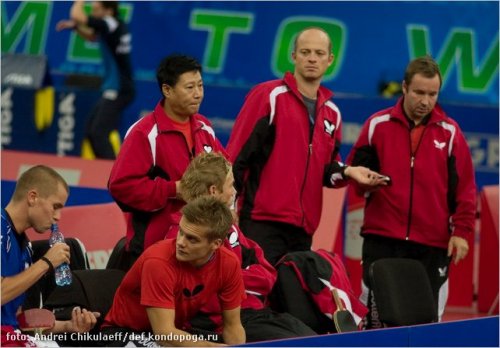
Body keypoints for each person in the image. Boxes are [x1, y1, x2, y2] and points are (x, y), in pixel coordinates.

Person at [226, 27, 386, 265]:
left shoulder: (332, 113)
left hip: (303, 230)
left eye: (319, 53)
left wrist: (348, 172)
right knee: (255, 296)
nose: (312, 58)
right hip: (260, 222)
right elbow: (236, 156)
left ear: (330, 60)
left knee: (290, 298)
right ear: (293, 56)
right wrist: (228, 208)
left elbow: (325, 170)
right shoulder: (269, 96)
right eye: (305, 52)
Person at [347, 56, 477, 328]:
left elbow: (465, 190)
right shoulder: (376, 125)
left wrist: (462, 233)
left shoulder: (451, 133)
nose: (426, 101)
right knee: (374, 321)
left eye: (433, 94)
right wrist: (365, 181)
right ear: (404, 88)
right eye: (419, 92)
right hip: (382, 239)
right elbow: (354, 172)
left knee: (428, 324)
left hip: (432, 246)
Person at [174, 152, 316, 341]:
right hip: (222, 324)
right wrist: (239, 283)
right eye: (231, 184)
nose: (234, 191)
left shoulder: (227, 225)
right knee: (302, 343)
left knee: (313, 337)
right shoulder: (187, 234)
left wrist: (237, 281)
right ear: (214, 190)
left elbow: (265, 269)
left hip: (255, 312)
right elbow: (207, 288)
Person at [107, 54, 227, 268]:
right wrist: (174, 189)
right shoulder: (144, 133)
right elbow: (120, 186)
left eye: (200, 85)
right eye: (190, 88)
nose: (198, 94)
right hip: (154, 248)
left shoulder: (204, 127)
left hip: (201, 247)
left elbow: (226, 172)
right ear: (167, 90)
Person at [101, 196, 246, 347]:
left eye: (192, 239)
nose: (181, 242)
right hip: (121, 333)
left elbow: (233, 326)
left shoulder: (229, 263)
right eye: (181, 232)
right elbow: (164, 335)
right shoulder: (158, 262)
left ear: (216, 244)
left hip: (173, 331)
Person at [1, 165, 99, 339]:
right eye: (55, 206)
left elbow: (17, 321)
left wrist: (68, 326)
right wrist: (46, 263)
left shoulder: (24, 247)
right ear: (32, 197)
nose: (58, 216)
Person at [56, 1, 135, 159]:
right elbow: (92, 37)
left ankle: (115, 174)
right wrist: (75, 27)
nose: (92, 13)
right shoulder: (112, 25)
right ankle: (105, 171)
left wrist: (79, 2)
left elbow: (76, 14)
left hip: (119, 89)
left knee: (98, 133)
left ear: (108, 10)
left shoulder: (110, 22)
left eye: (96, 9)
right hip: (113, 88)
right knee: (91, 131)